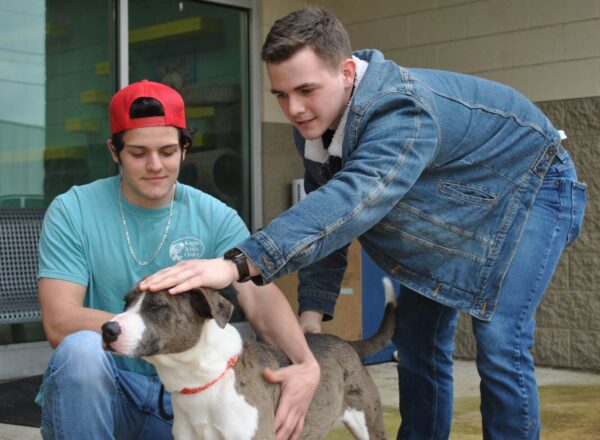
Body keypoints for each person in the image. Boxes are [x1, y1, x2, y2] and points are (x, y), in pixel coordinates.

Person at [140, 7, 588, 440]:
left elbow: (351, 199)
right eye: (280, 94)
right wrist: (311, 314)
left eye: (306, 90)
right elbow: (326, 211)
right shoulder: (317, 126)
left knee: (499, 341)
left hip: (533, 188)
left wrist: (240, 264)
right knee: (416, 342)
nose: (293, 108)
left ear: (348, 73)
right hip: (453, 210)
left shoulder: (402, 112)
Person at [37, 79, 319, 440]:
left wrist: (306, 365)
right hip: (110, 397)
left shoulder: (216, 216)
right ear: (114, 151)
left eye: (168, 151)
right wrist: (149, 327)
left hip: (189, 403)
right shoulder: (73, 210)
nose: (155, 165)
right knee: (79, 350)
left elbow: (260, 299)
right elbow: (60, 322)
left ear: (185, 149)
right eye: (138, 153)